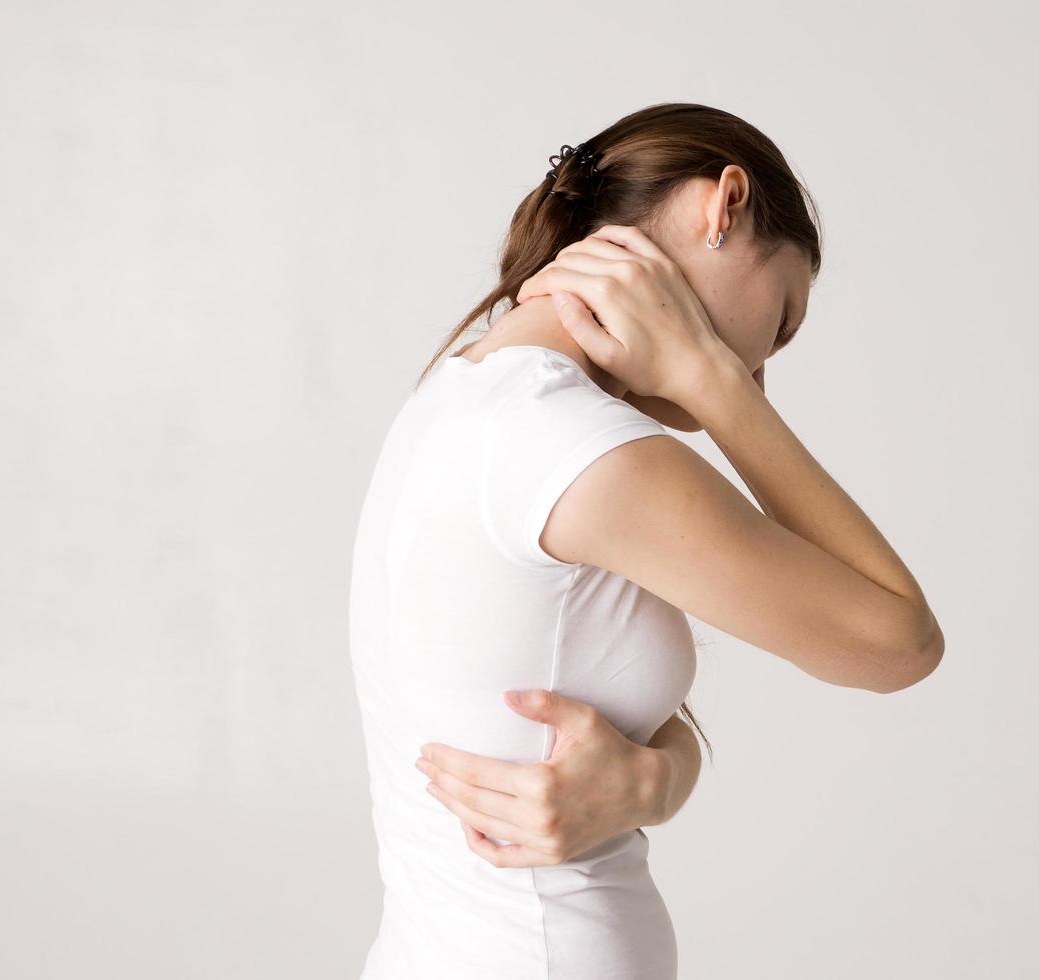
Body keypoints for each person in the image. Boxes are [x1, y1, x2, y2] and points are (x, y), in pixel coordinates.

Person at [348, 102, 944, 979]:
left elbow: (626, 716)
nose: (760, 372)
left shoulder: (471, 395)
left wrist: (656, 780)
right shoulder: (571, 446)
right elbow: (899, 645)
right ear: (722, 207)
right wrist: (711, 380)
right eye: (778, 322)